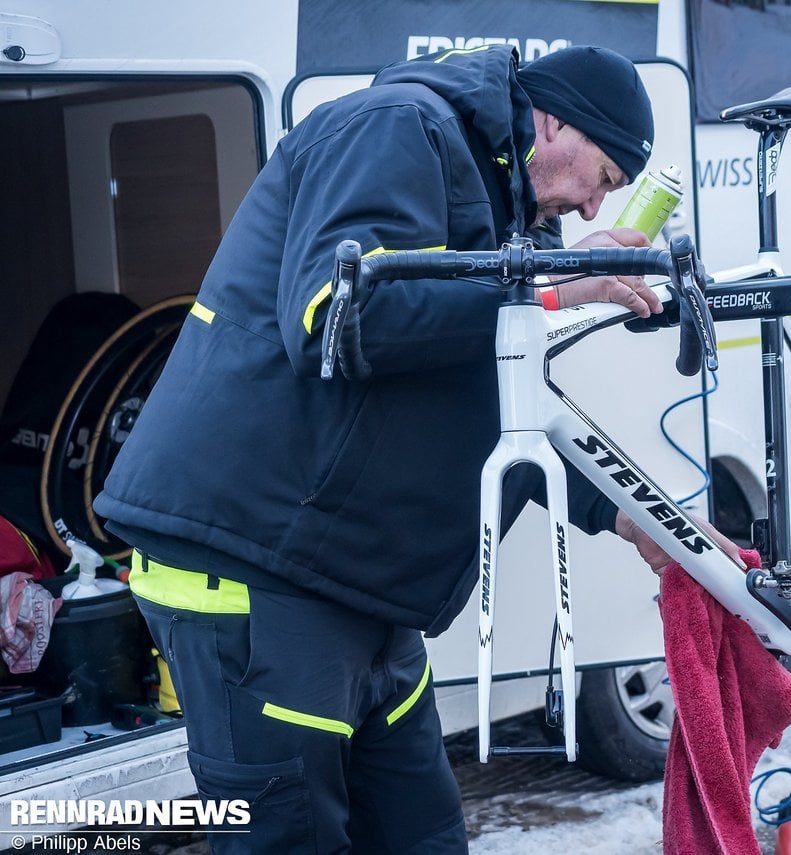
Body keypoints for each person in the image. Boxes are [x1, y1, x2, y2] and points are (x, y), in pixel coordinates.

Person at [94, 44, 736, 853]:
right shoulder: (394, 127)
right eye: (601, 177)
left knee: (424, 833)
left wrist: (640, 519)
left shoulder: (499, 208)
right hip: (253, 566)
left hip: (355, 584)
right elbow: (336, 317)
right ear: (554, 120)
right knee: (291, 837)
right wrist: (551, 283)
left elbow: (507, 407)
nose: (585, 208)